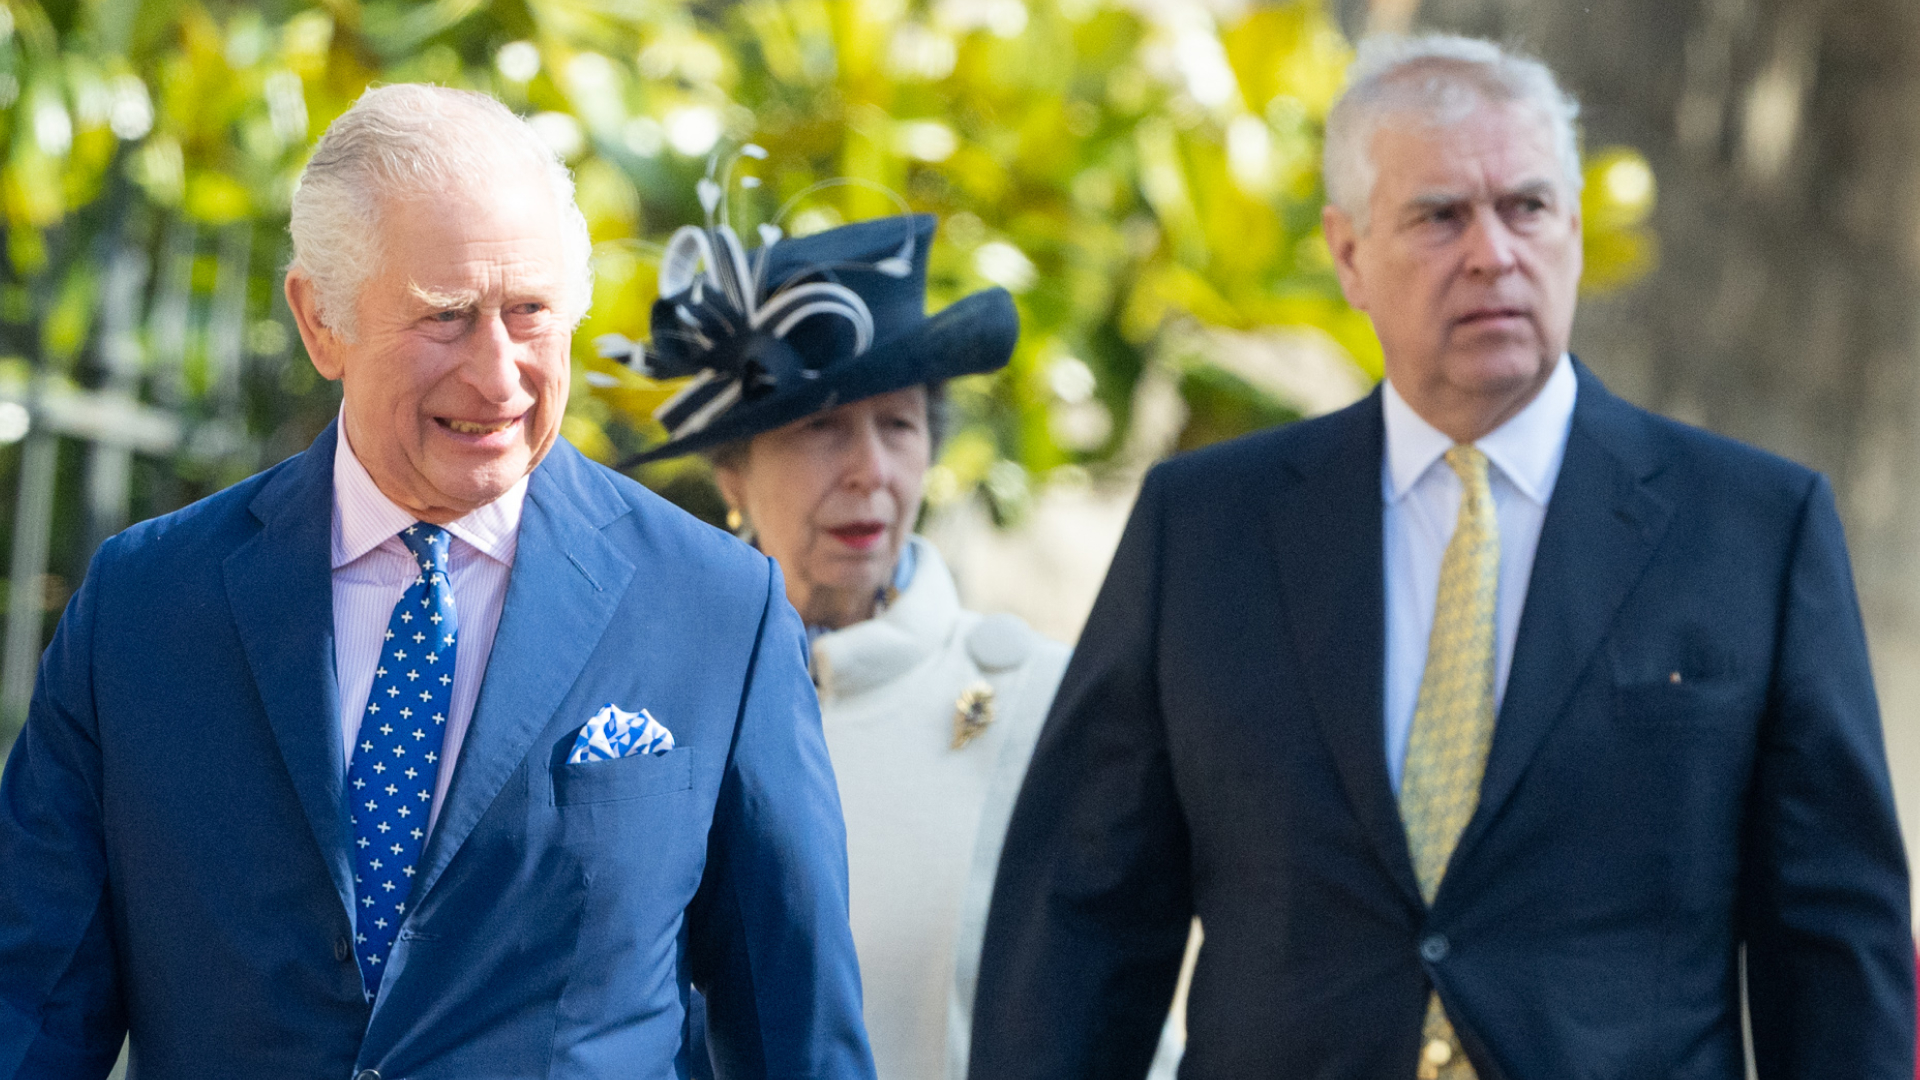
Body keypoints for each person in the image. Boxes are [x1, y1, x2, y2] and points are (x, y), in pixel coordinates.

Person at [970, 33, 1914, 1080]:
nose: (1492, 254)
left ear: (1572, 232)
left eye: (1527, 207)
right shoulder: (1204, 529)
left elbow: (1834, 946)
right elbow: (1081, 917)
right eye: (1439, 216)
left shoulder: (1753, 531)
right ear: (1348, 255)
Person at [0, 85, 874, 1079]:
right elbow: (29, 1009)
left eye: (530, 313)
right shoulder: (146, 606)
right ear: (320, 321)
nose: (498, 377)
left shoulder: (716, 611)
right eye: (447, 317)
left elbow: (798, 1036)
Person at [602, 191, 1178, 1079]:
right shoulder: (655, 705)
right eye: (821, 427)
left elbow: (1122, 1019)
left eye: (898, 425)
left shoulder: (1040, 701)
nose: (870, 469)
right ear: (734, 472)